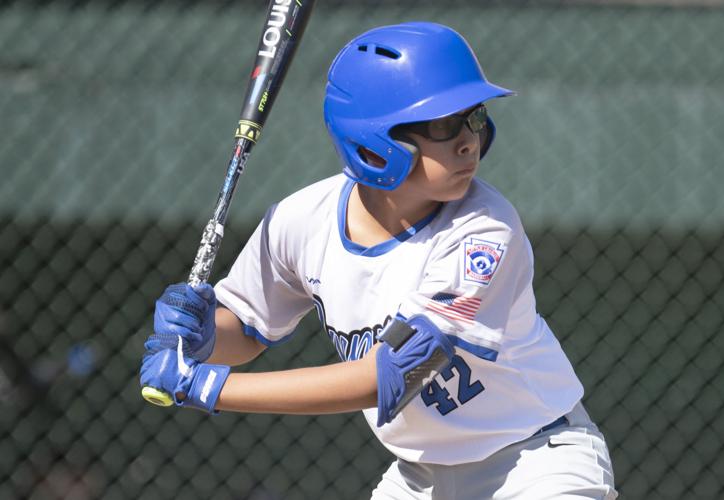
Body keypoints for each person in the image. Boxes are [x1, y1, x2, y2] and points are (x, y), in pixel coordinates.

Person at [140, 21, 618, 499]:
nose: (469, 139)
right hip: (419, 477)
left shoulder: (484, 231)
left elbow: (387, 376)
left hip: (533, 462)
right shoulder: (300, 220)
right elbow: (246, 329)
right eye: (441, 124)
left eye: (473, 117)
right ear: (373, 145)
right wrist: (202, 339)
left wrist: (208, 387)